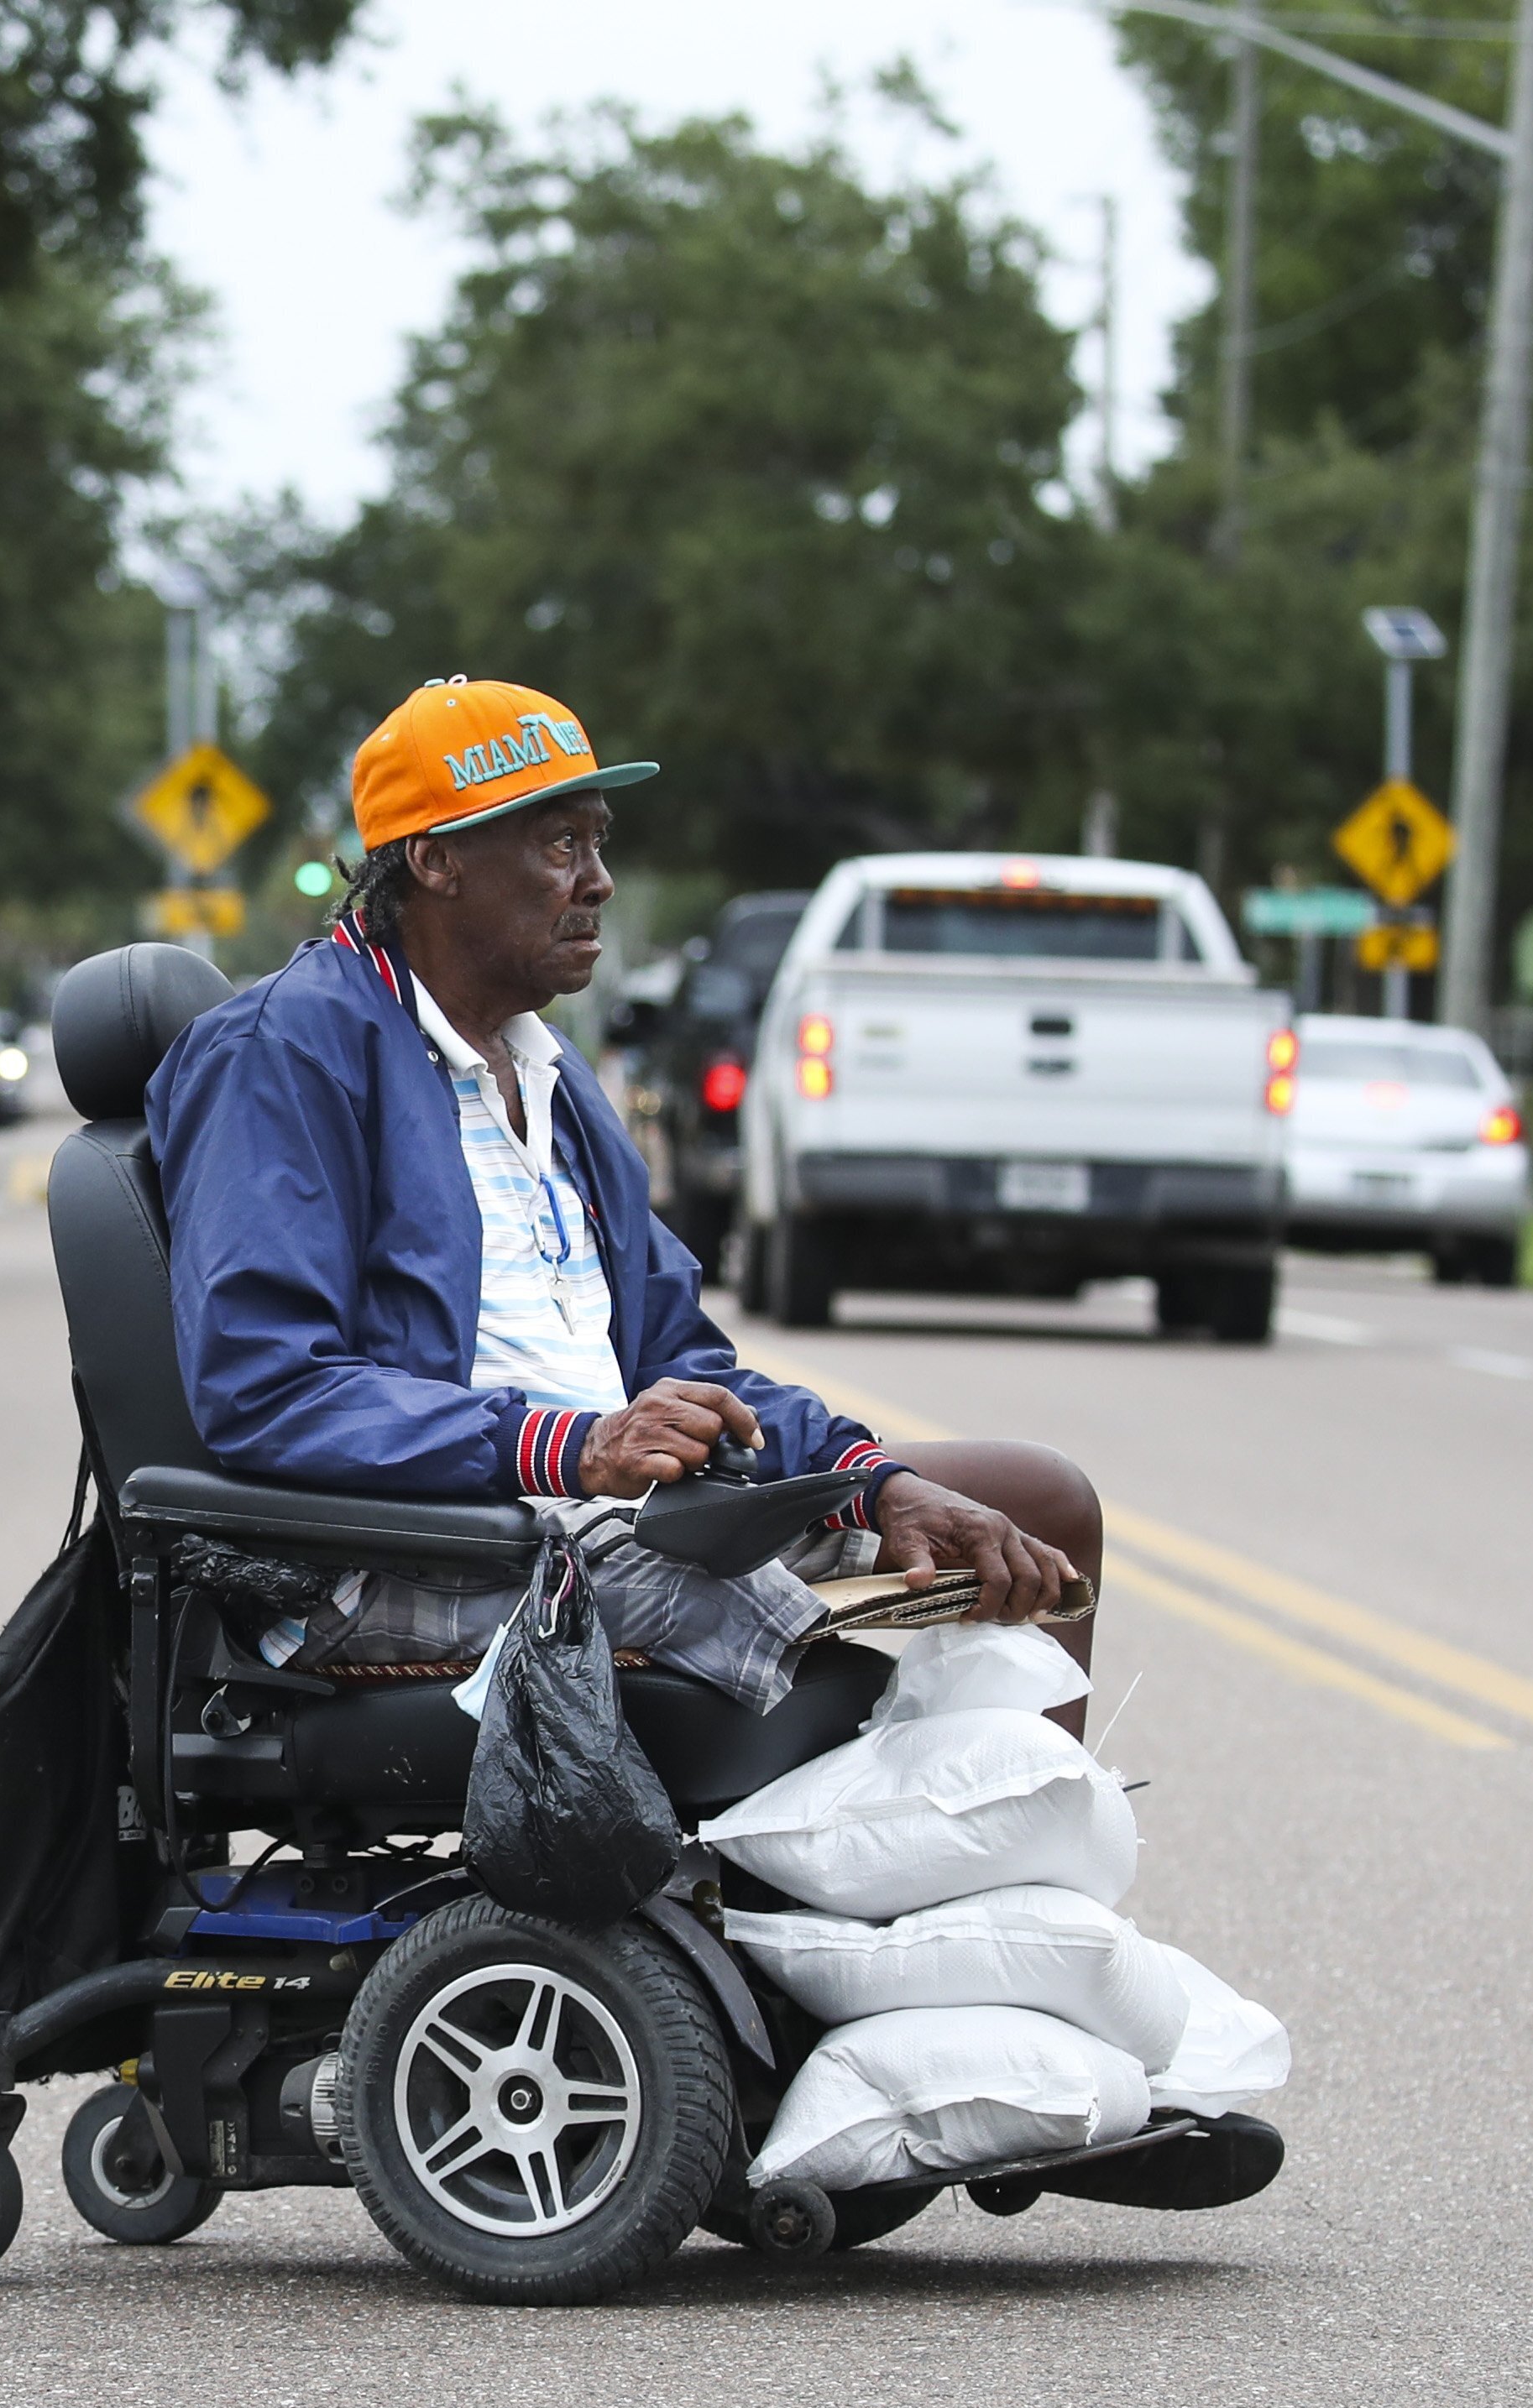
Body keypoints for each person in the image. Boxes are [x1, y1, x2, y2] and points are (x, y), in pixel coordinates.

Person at [146, 676, 1103, 1729]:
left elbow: (678, 1359)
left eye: (600, 844)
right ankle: (889, 1881)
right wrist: (572, 1448)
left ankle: (1003, 1869)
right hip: (410, 1548)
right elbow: (268, 1386)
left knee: (1031, 1503)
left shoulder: (550, 1071)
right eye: (560, 846)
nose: (598, 882)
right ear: (435, 859)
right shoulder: (283, 1052)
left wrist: (865, 1479)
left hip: (608, 1515)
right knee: (800, 1632)